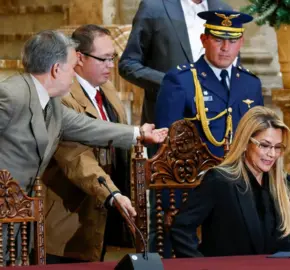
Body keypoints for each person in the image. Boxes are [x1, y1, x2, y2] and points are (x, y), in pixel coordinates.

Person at [0, 30, 167, 263]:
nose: (73, 74)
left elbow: (87, 127)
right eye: (71, 66)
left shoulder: (53, 104)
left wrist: (138, 133)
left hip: (19, 215)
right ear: (56, 69)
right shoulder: (11, 94)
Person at [42, 25, 135, 264]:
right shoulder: (61, 96)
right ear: (79, 58)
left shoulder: (107, 88)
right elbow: (76, 157)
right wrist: (112, 194)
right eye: (103, 59)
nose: (111, 66)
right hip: (69, 221)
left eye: (112, 58)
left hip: (106, 219)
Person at [171, 106, 290, 257]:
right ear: (246, 143)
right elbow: (181, 229)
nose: (272, 154)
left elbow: (283, 240)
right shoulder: (219, 180)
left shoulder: (279, 183)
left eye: (277, 147)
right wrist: (201, 266)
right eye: (264, 145)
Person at [155, 10, 264, 158]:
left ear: (241, 42)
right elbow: (166, 143)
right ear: (204, 40)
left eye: (232, 41)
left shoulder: (251, 83)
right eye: (218, 40)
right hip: (198, 175)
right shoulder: (180, 80)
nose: (225, 48)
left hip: (242, 173)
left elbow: (259, 135)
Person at [119, 0, 231, 130]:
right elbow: (128, 64)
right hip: (167, 123)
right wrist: (171, 83)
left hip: (216, 125)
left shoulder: (224, 10)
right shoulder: (154, 7)